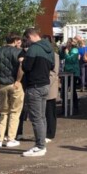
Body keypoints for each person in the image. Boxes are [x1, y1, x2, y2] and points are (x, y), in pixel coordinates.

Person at [20, 28, 55, 157]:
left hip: (34, 85)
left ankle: (40, 146)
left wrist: (23, 61)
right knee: (41, 117)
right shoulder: (49, 48)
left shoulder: (33, 49)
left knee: (36, 118)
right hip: (45, 84)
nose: (26, 42)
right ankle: (42, 142)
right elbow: (52, 66)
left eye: (26, 39)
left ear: (30, 36)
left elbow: (26, 67)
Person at [0, 33, 24, 148]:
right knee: (14, 112)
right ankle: (11, 139)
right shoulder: (19, 52)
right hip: (14, 84)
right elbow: (22, 66)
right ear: (16, 40)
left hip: (2, 85)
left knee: (3, 112)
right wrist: (18, 80)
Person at [44, 35, 60, 143]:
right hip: (43, 86)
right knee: (44, 111)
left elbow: (54, 73)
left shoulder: (54, 55)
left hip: (49, 86)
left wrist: (45, 84)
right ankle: (45, 132)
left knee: (50, 111)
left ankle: (50, 133)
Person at [63, 37, 80, 114]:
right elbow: (62, 57)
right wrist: (62, 51)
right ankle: (64, 108)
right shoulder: (68, 50)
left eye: (68, 43)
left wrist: (66, 54)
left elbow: (72, 60)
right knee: (64, 90)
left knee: (73, 91)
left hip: (73, 72)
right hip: (67, 71)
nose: (67, 44)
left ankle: (75, 108)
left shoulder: (75, 50)